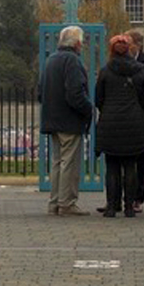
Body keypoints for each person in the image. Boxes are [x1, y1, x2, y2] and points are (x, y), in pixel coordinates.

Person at [38, 25, 93, 217]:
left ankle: (54, 202)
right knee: (69, 163)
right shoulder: (73, 61)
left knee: (57, 162)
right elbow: (75, 93)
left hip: (52, 119)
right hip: (69, 120)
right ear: (77, 43)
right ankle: (67, 203)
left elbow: (40, 91)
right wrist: (89, 109)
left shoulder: (51, 60)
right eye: (82, 42)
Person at [95, 34, 144, 218]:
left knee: (112, 166)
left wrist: (109, 108)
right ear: (129, 49)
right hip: (134, 121)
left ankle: (112, 206)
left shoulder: (105, 71)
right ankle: (129, 207)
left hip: (110, 121)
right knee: (130, 165)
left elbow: (98, 99)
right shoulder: (139, 70)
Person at [126, 29, 144, 214]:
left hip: (142, 117)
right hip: (125, 117)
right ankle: (121, 197)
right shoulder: (119, 61)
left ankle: (138, 198)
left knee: (142, 162)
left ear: (137, 44)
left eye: (129, 43)